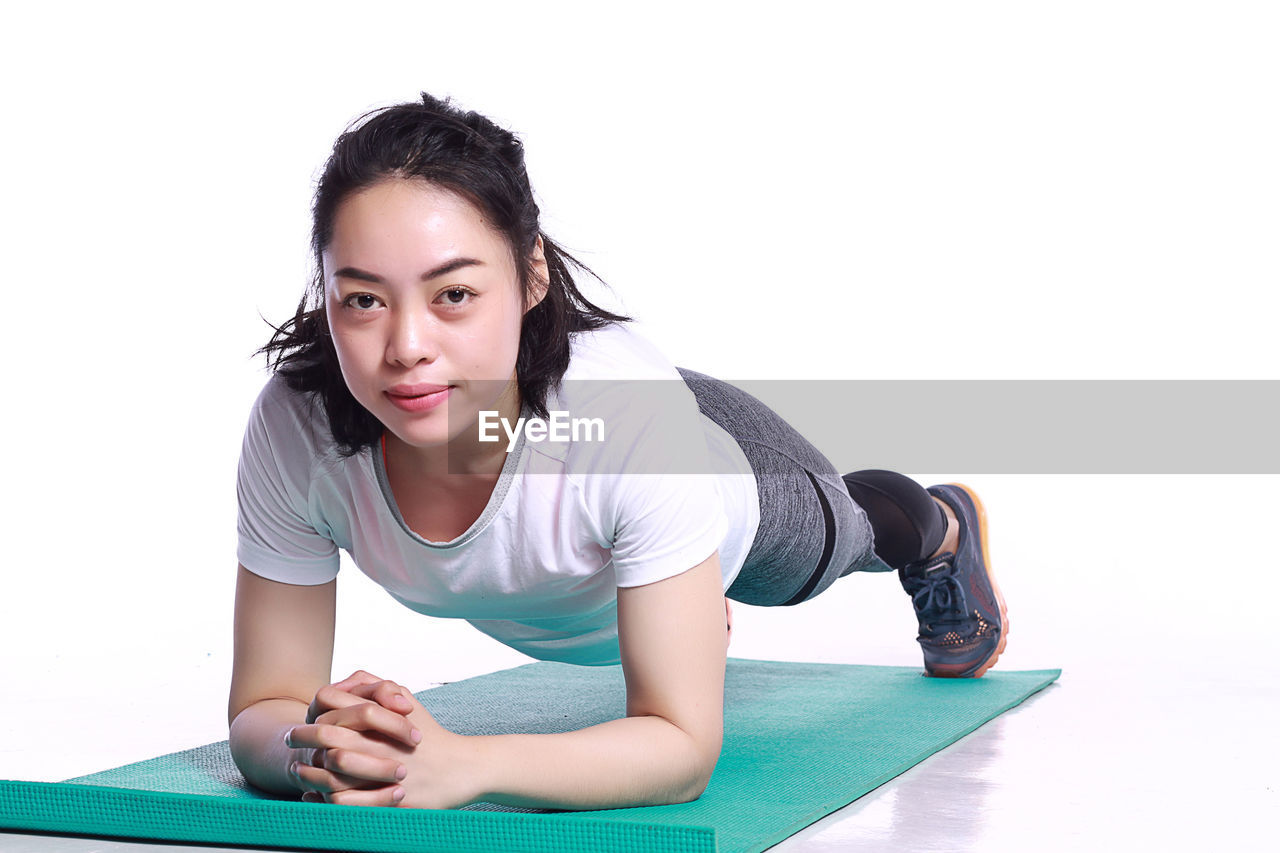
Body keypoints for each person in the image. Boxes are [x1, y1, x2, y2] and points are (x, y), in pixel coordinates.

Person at [228, 92, 1010, 812]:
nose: (406, 347)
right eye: (363, 299)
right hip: (592, 421)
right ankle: (675, 591)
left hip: (690, 456)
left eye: (453, 295)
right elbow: (264, 705)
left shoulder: (628, 426)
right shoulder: (298, 428)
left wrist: (466, 764)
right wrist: (319, 749)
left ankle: (938, 527)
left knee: (847, 535)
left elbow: (681, 750)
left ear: (530, 274)